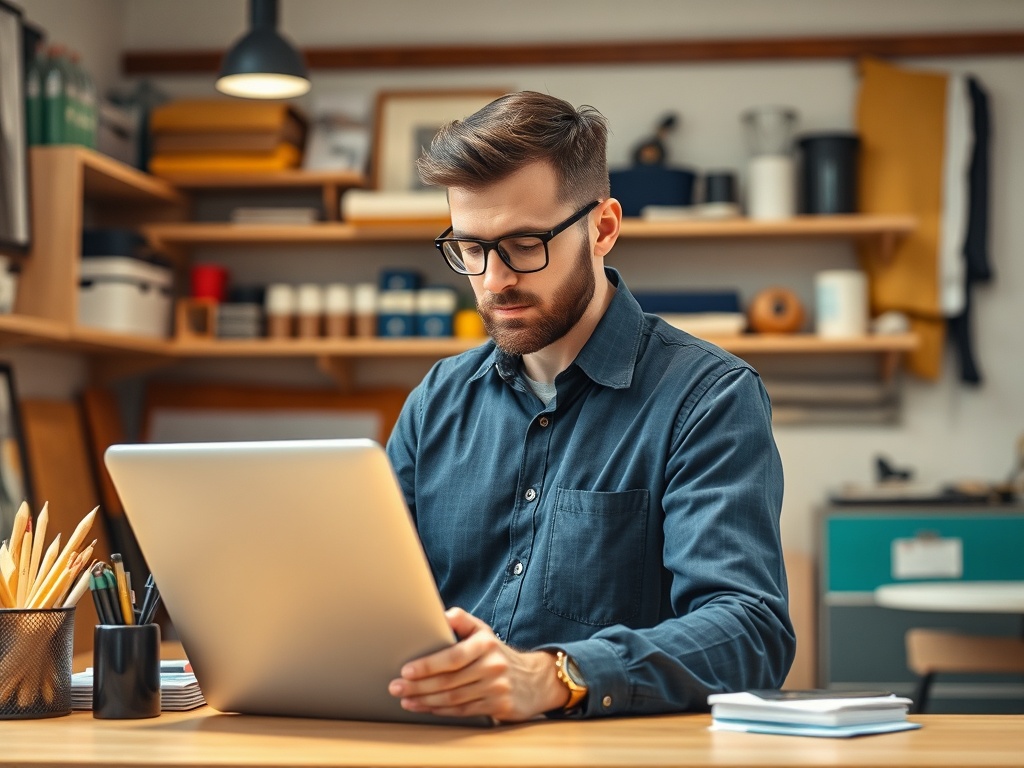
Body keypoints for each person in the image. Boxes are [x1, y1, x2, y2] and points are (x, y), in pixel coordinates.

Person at [385, 91, 794, 722]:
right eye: (470, 248)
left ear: (602, 228)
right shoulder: (435, 403)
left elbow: (749, 630)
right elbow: (371, 600)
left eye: (524, 243)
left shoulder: (708, 397)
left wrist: (555, 676)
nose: (494, 281)